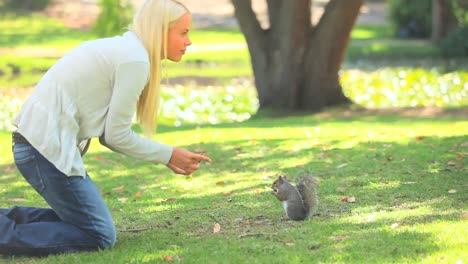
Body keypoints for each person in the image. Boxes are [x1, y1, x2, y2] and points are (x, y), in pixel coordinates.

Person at [0, 0, 211, 256]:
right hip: (42, 151)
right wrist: (169, 154)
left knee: (89, 225)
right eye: (183, 32)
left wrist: (166, 156)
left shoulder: (127, 50)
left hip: (37, 147)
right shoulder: (134, 60)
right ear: (159, 30)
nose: (189, 42)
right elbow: (116, 136)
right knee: (98, 234)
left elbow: (109, 137)